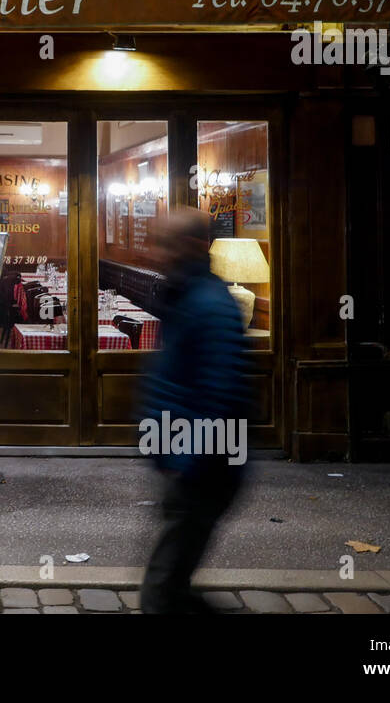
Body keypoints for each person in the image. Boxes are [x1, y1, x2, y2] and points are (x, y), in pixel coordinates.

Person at [138, 208, 252, 613]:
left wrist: (185, 462)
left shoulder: (211, 305)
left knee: (161, 592)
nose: (155, 254)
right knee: (171, 585)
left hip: (205, 465)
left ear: (188, 246)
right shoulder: (186, 295)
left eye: (164, 245)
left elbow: (218, 396)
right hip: (186, 458)